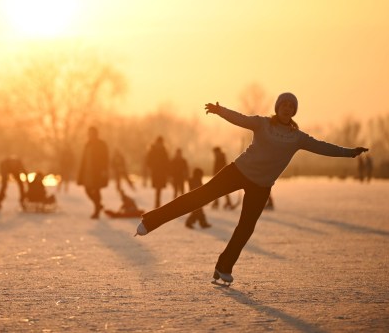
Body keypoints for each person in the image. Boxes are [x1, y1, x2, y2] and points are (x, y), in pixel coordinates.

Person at [135, 93, 368, 285]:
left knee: (245, 228)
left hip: (262, 186)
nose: (287, 108)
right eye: (283, 105)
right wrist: (220, 110)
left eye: (291, 106)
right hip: (238, 171)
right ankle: (151, 221)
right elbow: (240, 118)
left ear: (294, 111)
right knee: (199, 197)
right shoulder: (262, 123)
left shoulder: (297, 137)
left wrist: (349, 152)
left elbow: (323, 147)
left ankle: (224, 268)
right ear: (277, 108)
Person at [77, 126, 109, 219]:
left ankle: (96, 211)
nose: (90, 135)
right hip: (87, 173)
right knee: (87, 190)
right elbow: (84, 160)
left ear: (96, 134)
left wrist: (104, 170)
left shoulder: (101, 144)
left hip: (97, 172)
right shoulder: (87, 144)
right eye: (89, 133)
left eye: (91, 133)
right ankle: (98, 205)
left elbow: (105, 159)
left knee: (96, 190)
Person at [145, 136, 170, 208]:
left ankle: (157, 203)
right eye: (159, 143)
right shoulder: (152, 151)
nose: (160, 144)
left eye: (161, 143)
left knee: (159, 188)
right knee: (157, 188)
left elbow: (167, 162)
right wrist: (153, 166)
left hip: (162, 173)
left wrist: (167, 171)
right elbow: (148, 162)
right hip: (155, 172)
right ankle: (157, 203)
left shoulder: (164, 151)